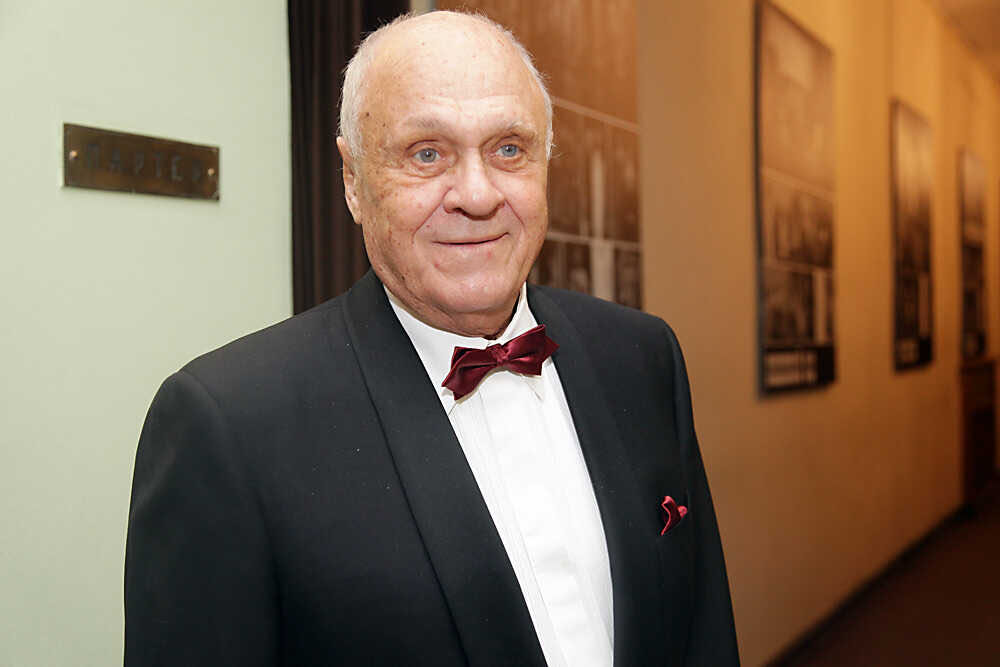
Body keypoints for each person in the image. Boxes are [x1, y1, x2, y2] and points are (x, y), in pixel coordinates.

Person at [124, 10, 739, 667]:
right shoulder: (230, 425)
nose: (477, 194)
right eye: (427, 153)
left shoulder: (642, 357)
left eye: (508, 148)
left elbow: (703, 633)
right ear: (353, 180)